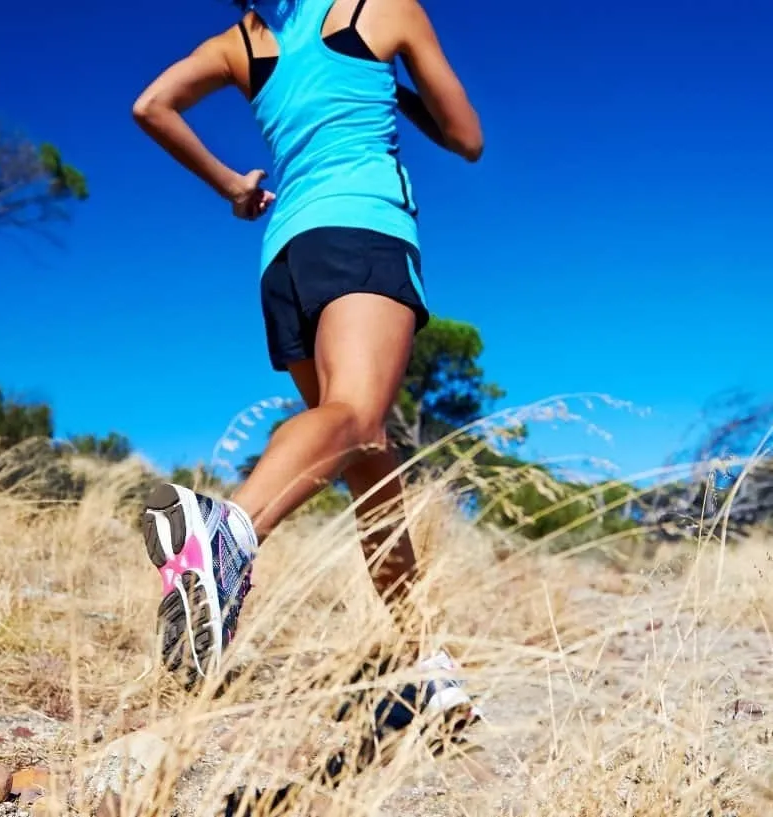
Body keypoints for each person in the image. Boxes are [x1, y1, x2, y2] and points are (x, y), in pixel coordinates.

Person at [131, 0, 485, 743]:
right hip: (363, 227)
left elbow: (151, 105)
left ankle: (424, 662)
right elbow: (467, 137)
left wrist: (232, 184)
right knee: (355, 416)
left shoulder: (241, 43)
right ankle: (226, 532)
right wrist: (393, 87)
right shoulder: (380, 9)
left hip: (287, 256)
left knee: (369, 457)